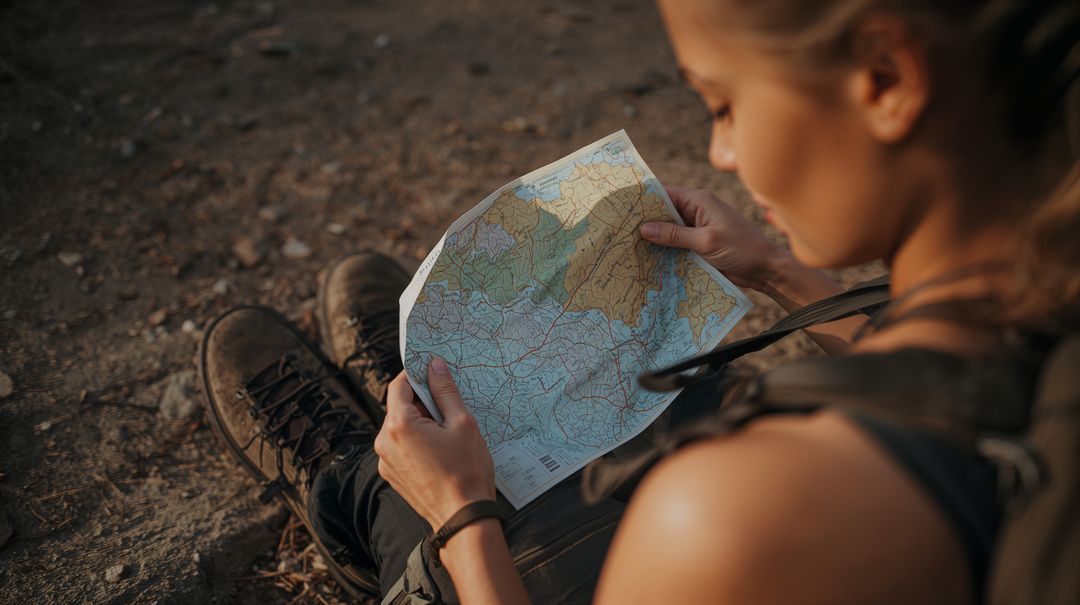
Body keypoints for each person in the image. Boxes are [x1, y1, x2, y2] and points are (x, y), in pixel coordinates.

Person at [198, 0, 1079, 603]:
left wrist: (460, 517)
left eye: (724, 103)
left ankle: (352, 495)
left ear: (886, 76)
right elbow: (948, 382)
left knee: (397, 489)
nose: (721, 151)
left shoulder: (723, 522)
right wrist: (775, 270)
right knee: (665, 395)